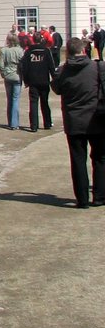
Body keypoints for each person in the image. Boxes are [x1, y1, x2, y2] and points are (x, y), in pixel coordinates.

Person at [50, 37, 105, 208]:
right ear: (83, 50)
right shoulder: (97, 67)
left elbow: (56, 89)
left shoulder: (62, 71)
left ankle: (82, 200)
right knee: (100, 158)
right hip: (97, 119)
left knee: (78, 160)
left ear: (67, 52)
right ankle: (99, 197)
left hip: (74, 121)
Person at [20, 32, 56, 131]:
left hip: (33, 81)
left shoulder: (28, 52)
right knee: (45, 102)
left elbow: (24, 68)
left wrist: (26, 80)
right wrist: (54, 78)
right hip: (44, 80)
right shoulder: (46, 51)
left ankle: (34, 125)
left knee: (33, 103)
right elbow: (51, 66)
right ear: (41, 39)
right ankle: (47, 123)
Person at [0, 33, 24, 130]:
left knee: (9, 100)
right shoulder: (19, 51)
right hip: (17, 76)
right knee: (15, 99)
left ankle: (10, 122)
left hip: (8, 76)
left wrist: (3, 74)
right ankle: (14, 123)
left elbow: (1, 64)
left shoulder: (4, 50)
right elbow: (22, 64)